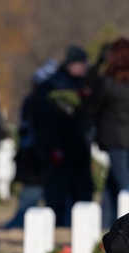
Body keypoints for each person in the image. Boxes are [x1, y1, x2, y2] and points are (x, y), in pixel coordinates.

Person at [91, 37, 129, 226]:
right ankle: (105, 220)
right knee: (113, 182)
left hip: (114, 138)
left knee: (126, 184)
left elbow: (93, 105)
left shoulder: (108, 83)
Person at [35, 44, 94, 227]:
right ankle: (56, 224)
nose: (85, 67)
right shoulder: (53, 86)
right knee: (57, 190)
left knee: (83, 189)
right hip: (60, 146)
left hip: (80, 146)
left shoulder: (84, 85)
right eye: (81, 63)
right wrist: (53, 146)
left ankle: (80, 226)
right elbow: (45, 119)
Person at [5, 59, 56, 229]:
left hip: (38, 154)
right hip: (34, 156)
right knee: (30, 197)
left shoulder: (34, 100)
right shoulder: (36, 102)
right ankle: (17, 225)